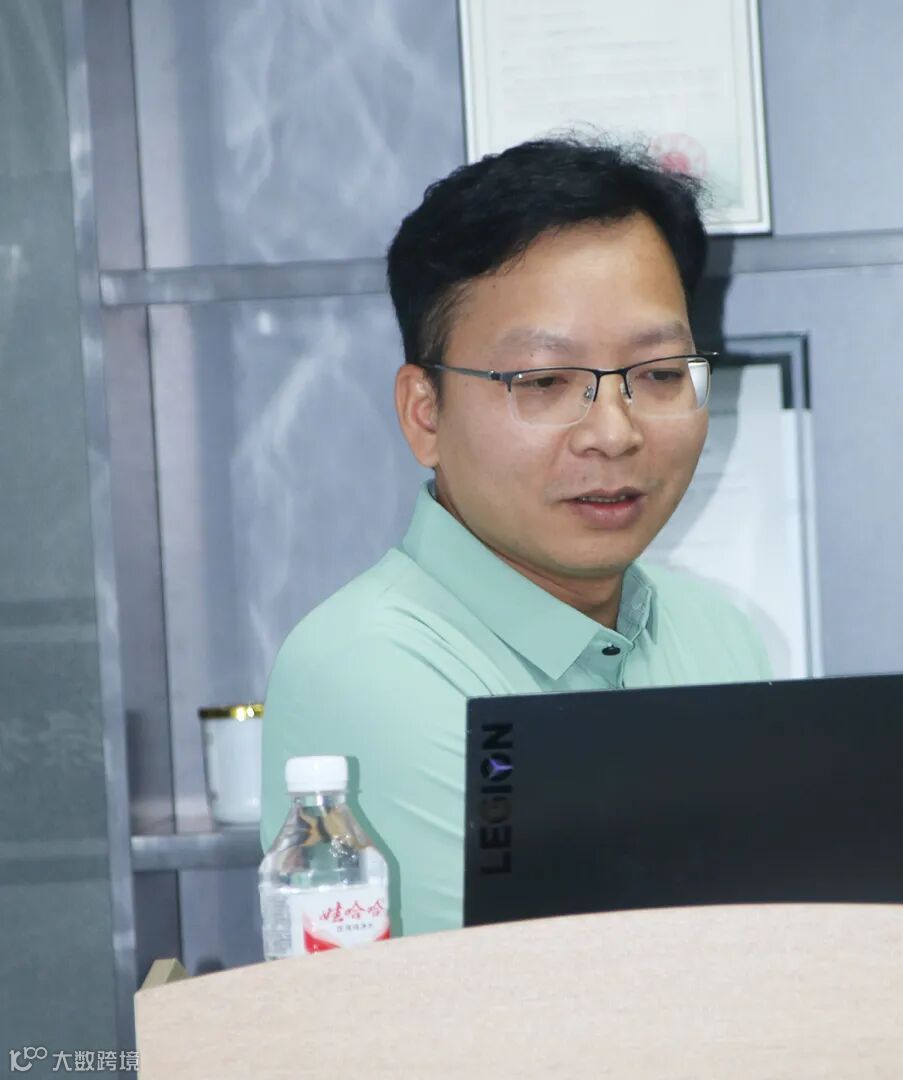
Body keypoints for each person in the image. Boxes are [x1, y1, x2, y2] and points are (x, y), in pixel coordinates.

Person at [259, 137, 771, 935]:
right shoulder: (364, 666)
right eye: (545, 381)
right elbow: (535, 987)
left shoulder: (719, 637)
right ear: (425, 415)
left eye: (661, 374)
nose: (614, 432)